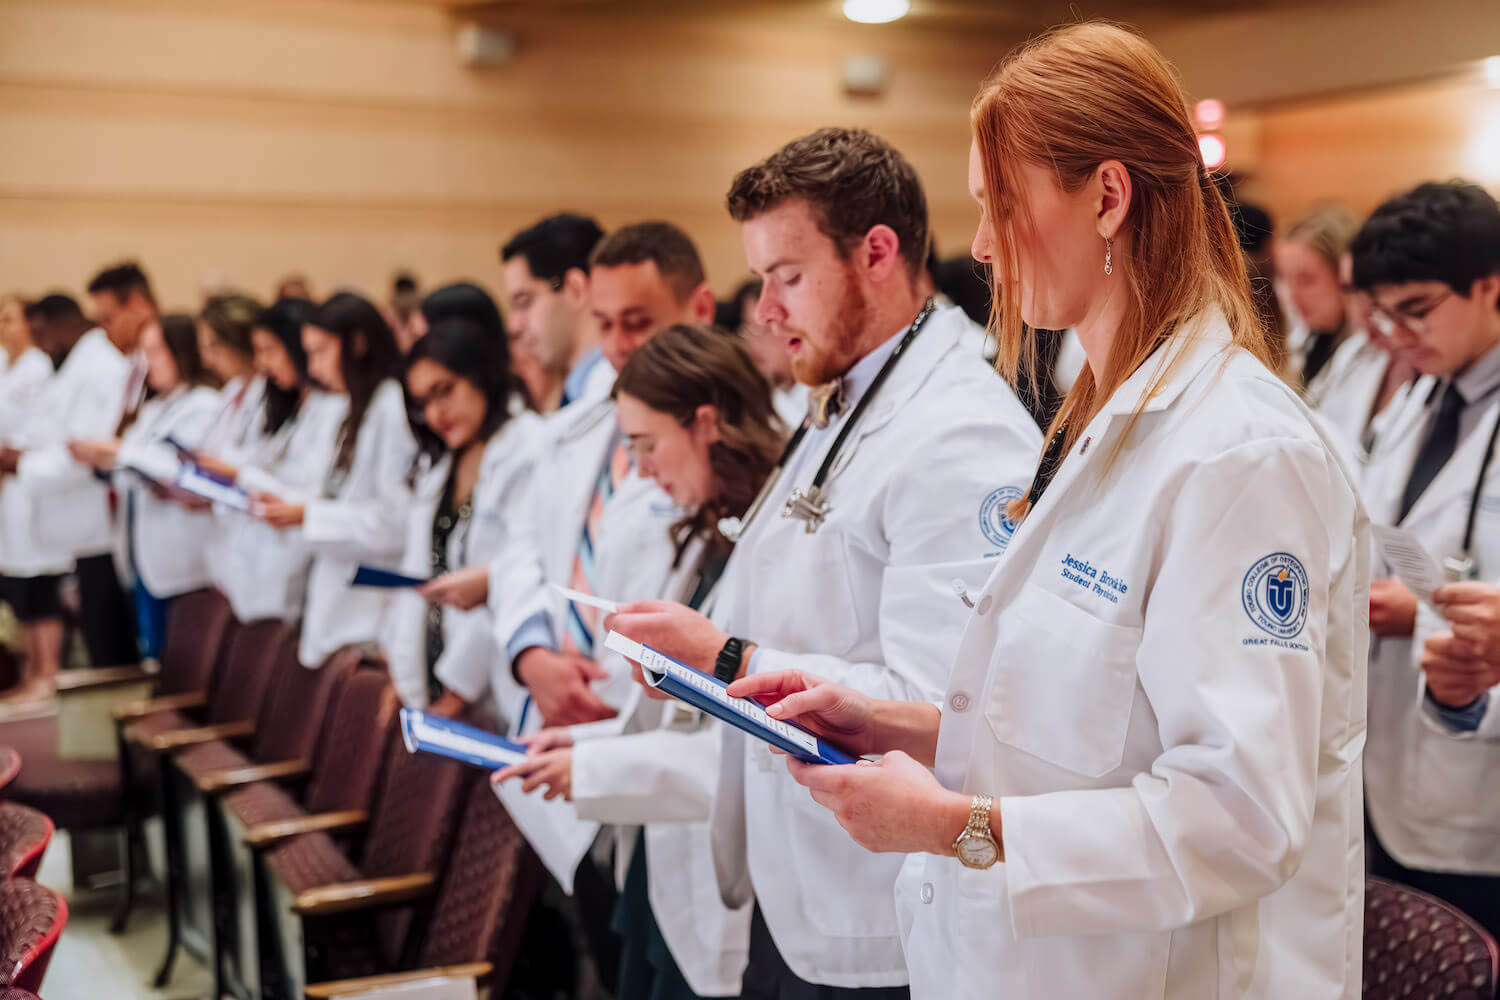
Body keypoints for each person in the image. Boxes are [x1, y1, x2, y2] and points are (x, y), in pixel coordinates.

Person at [705, 26, 1368, 998]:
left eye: (998, 204)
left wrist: (952, 825)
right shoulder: (1102, 417)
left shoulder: (1236, 450)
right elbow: (1082, 729)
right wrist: (897, 725)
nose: (978, 246)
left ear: (1106, 196)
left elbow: (1239, 819)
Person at [606, 127, 1042, 999]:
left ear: (877, 253)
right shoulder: (845, 395)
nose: (764, 310)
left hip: (888, 906)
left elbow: (943, 705)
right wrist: (697, 664)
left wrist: (726, 662)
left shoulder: (962, 431)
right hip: (798, 881)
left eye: (787, 277)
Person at [496, 325, 784, 1000]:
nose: (641, 470)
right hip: (660, 865)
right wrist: (581, 742)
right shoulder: (699, 531)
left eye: (647, 447)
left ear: (707, 423)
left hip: (730, 878)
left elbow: (744, 751)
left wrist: (589, 767)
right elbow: (671, 719)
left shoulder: (771, 546)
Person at [1351, 180, 1500, 940]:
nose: (1399, 335)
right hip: (1386, 778)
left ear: (1489, 286)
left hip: (1478, 801)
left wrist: (1428, 610)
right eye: (1384, 314)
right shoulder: (1416, 400)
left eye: (1417, 309)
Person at [384, 317, 542, 718]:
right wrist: (403, 679)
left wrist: (458, 693)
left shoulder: (528, 449)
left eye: (444, 392)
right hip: (433, 677)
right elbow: (420, 572)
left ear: (480, 374)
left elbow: (512, 579)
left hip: (491, 689)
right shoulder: (443, 464)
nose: (436, 414)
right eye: (422, 404)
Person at [249, 292, 416, 668]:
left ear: (357, 344)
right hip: (338, 608)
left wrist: (308, 516)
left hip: (368, 620)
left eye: (321, 352)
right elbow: (336, 494)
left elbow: (396, 523)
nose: (314, 367)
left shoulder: (391, 408)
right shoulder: (354, 406)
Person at [0, 293, 133, 685]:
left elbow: (85, 448)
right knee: (98, 634)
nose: (40, 344)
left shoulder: (97, 367)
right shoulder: (73, 366)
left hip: (94, 520)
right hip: (73, 520)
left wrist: (22, 461)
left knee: (110, 641)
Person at [70, 316, 222, 658]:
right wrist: (101, 458)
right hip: (143, 557)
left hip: (184, 564)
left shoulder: (204, 404)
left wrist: (119, 451)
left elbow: (179, 468)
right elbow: (129, 466)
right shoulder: (154, 408)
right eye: (144, 353)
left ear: (181, 352)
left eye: (155, 352)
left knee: (185, 659)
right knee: (154, 656)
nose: (147, 363)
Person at [201, 298, 345, 626]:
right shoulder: (287, 406)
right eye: (258, 351)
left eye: (270, 350)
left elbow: (313, 488)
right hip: (259, 562)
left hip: (303, 563)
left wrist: (242, 475)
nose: (262, 363)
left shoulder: (333, 409)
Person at [497, 213, 610, 413]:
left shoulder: (617, 395)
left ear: (575, 289)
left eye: (524, 302)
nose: (514, 325)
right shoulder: (577, 392)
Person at [1275, 204, 1360, 391]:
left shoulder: (1367, 355)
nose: (1292, 296)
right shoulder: (1306, 340)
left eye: (1306, 280)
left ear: (1345, 276)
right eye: (1284, 278)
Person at [196, 293, 267, 461]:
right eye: (205, 349)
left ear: (239, 341)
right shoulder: (233, 389)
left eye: (215, 347)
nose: (208, 361)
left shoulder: (271, 396)